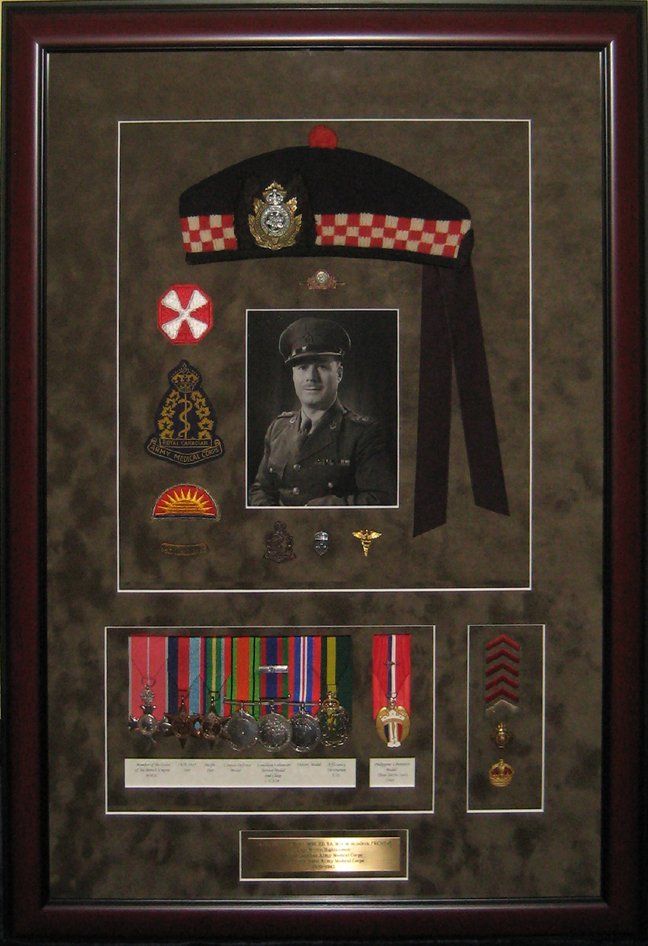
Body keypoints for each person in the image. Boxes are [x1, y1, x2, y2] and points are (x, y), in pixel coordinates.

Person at [249, 316, 396, 507]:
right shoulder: (278, 428)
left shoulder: (363, 434)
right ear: (293, 375)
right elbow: (260, 489)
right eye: (302, 367)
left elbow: (381, 499)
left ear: (339, 374)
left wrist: (321, 510)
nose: (311, 377)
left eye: (322, 366)